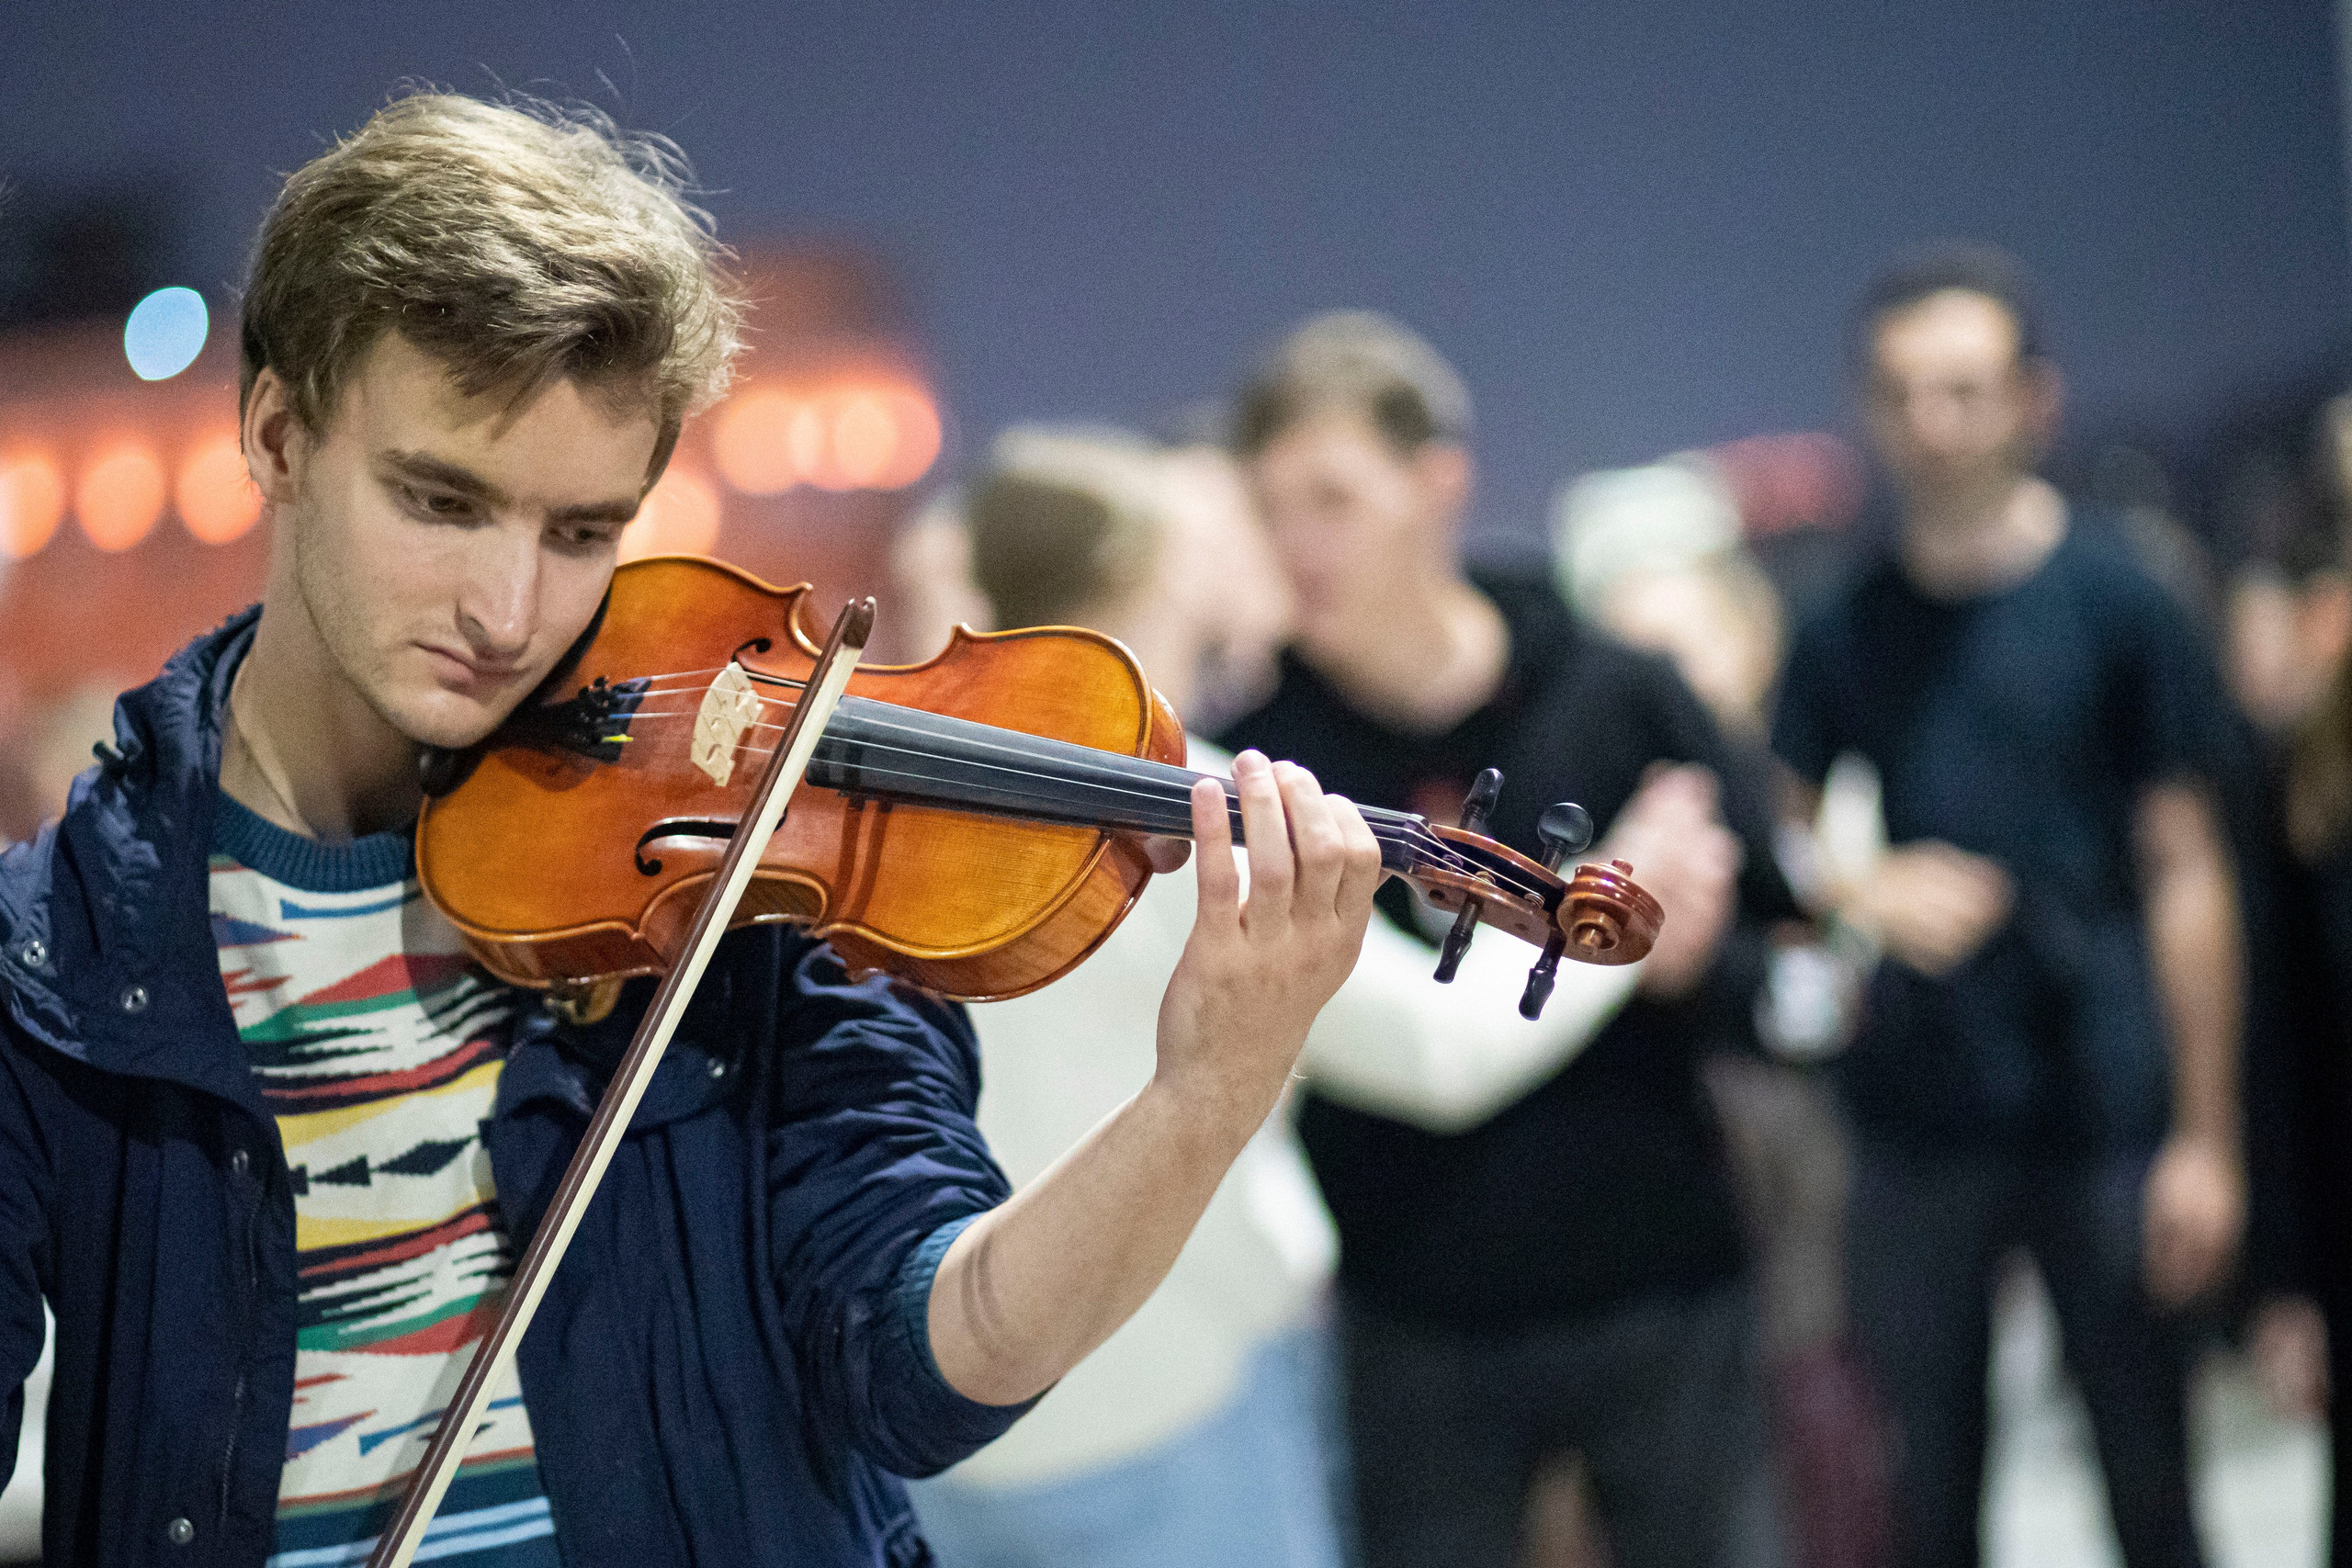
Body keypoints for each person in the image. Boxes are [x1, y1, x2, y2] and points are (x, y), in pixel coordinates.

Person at [0, 93, 1388, 1568]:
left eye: (582, 531)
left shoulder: (725, 870)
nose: (509, 611)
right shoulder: (66, 949)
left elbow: (924, 1357)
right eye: (439, 501)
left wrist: (1204, 1094)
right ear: (276, 431)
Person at [901, 433, 1737, 1568]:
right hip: (1161, 1395)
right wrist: (1617, 911)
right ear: (1164, 571)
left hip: (947, 1405)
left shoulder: (917, 774)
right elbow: (1438, 1052)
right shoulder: (1192, 800)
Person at [1217, 311, 1787, 1568]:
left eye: (1333, 497)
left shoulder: (1621, 688)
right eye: (1271, 506)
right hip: (1415, 1309)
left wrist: (1701, 967)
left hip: (1665, 1277)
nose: (1296, 542)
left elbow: (1786, 968)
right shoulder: (1261, 761)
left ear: (1439, 483)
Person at [1770, 245, 2245, 1568]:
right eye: (1906, 392)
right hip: (1920, 1118)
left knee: (2154, 1480)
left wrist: (2209, 1132)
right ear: (1868, 408)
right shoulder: (1842, 627)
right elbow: (1780, 845)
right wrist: (1864, 885)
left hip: (2109, 1105)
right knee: (1928, 1496)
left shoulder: (2121, 597)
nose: (1935, 423)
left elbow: (2189, 865)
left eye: (1967, 389)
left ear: (2034, 399)